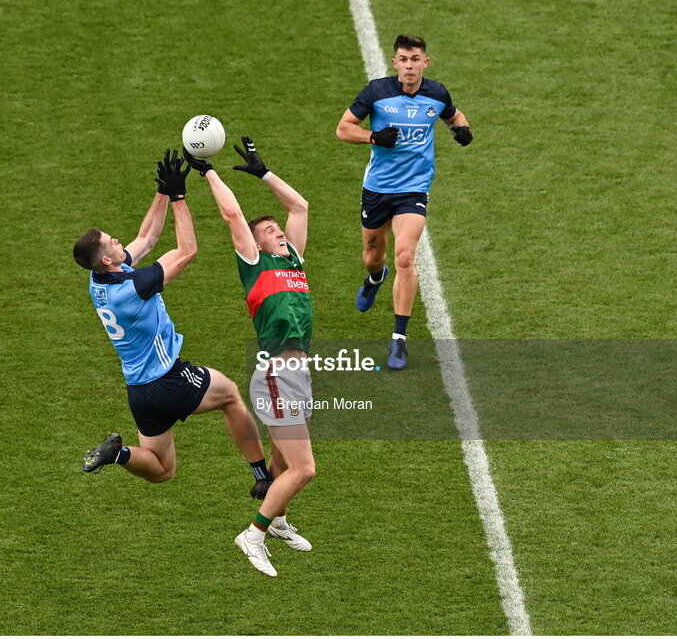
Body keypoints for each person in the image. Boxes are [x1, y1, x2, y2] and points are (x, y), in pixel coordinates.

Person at [74, 150, 271, 498]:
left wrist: (163, 191)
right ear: (105, 258)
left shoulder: (99, 280)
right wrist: (179, 198)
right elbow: (186, 251)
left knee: (162, 470)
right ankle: (261, 475)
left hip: (139, 392)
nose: (118, 239)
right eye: (111, 241)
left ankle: (118, 454)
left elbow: (147, 238)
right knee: (230, 395)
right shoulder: (133, 287)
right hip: (168, 380)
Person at [185, 138, 315, 578]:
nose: (279, 232)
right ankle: (253, 534)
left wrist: (264, 173)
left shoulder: (294, 261)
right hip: (277, 374)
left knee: (282, 461)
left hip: (299, 372)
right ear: (255, 245)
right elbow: (233, 216)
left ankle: (277, 520)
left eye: (278, 229)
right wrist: (209, 171)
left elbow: (300, 207)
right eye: (270, 231)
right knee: (304, 469)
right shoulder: (256, 265)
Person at [336, 34, 473, 370]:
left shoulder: (437, 93)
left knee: (405, 257)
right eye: (403, 59)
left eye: (415, 59)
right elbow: (343, 128)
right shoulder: (376, 92)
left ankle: (399, 340)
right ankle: (374, 279)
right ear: (395, 63)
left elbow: (453, 115)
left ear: (425, 62)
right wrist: (373, 136)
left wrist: (463, 130)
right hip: (377, 189)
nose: (409, 66)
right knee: (373, 257)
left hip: (414, 189)